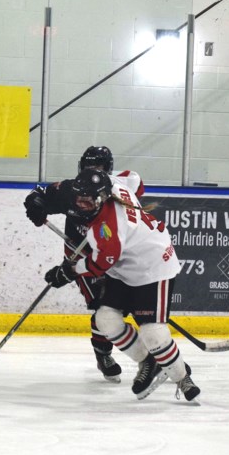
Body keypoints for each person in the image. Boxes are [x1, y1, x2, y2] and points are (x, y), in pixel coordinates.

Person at [41, 168, 199, 401]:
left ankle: (182, 378)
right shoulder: (111, 184)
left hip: (152, 268)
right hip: (125, 266)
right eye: (79, 198)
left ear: (102, 198)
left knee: (153, 332)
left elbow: (99, 264)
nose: (81, 204)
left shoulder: (110, 228)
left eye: (87, 200)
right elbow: (133, 177)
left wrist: (68, 271)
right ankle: (148, 361)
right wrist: (40, 197)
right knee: (105, 319)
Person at [22, 145, 146, 383]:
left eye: (97, 166)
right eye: (88, 165)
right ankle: (104, 355)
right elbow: (38, 192)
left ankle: (161, 355)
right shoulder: (71, 189)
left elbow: (136, 181)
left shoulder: (120, 183)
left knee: (122, 309)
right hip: (81, 259)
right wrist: (36, 206)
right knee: (102, 307)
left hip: (113, 258)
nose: (91, 170)